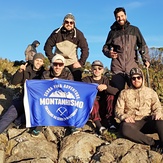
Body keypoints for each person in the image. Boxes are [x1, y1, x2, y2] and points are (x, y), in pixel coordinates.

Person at [115, 67, 163, 154]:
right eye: (133, 78)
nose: (136, 80)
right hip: (133, 122)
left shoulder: (151, 92)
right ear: (130, 79)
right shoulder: (124, 93)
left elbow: (157, 106)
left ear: (142, 78)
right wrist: (124, 117)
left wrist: (158, 113)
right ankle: (154, 143)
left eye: (138, 77)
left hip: (147, 120)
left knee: (160, 122)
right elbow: (118, 111)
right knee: (124, 129)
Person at [102, 7, 150, 91]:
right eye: (118, 17)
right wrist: (109, 53)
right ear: (115, 18)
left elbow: (142, 45)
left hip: (132, 66)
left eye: (122, 16)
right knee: (116, 92)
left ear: (126, 15)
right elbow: (105, 47)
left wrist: (145, 59)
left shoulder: (134, 30)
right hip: (117, 68)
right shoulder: (112, 32)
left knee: (136, 91)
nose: (120, 18)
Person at [0, 53, 45, 134]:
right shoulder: (26, 69)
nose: (38, 62)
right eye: (37, 60)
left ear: (43, 63)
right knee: (9, 114)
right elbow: (14, 82)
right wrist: (20, 71)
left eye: (40, 61)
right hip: (23, 98)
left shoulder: (45, 73)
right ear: (33, 60)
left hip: (35, 102)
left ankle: (16, 123)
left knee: (29, 116)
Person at [31, 54, 75, 136]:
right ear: (52, 64)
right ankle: (40, 124)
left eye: (60, 64)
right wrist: (50, 82)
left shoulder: (68, 75)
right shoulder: (46, 74)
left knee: (71, 101)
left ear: (63, 66)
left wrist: (60, 82)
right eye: (55, 64)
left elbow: (72, 88)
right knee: (40, 100)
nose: (57, 67)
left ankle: (71, 124)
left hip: (63, 98)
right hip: (50, 99)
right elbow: (41, 88)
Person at [44, 13, 89, 81]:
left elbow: (85, 49)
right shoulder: (56, 33)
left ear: (74, 24)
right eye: (66, 22)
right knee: (48, 76)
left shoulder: (79, 34)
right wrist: (53, 59)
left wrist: (80, 62)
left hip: (72, 61)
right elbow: (47, 47)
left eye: (71, 22)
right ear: (63, 23)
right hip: (58, 60)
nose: (69, 24)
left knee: (77, 77)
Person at [82, 60, 119, 135]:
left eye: (99, 68)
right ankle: (98, 125)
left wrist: (106, 87)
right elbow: (80, 90)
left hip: (104, 105)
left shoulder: (106, 80)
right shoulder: (86, 80)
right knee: (91, 98)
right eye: (94, 68)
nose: (97, 70)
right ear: (91, 69)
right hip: (92, 107)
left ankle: (110, 121)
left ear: (102, 70)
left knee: (111, 96)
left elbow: (116, 91)